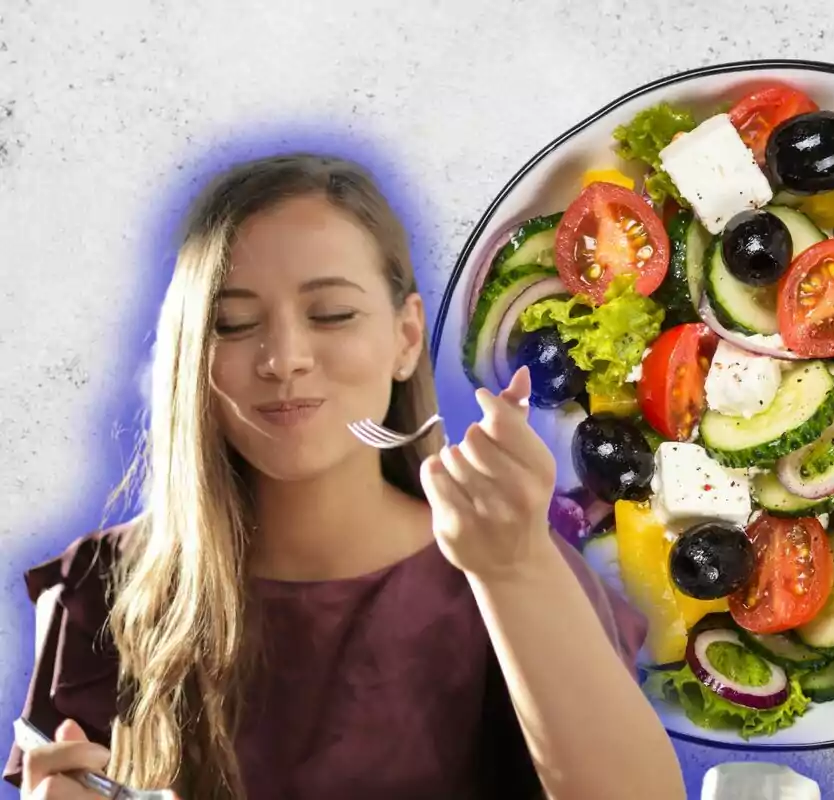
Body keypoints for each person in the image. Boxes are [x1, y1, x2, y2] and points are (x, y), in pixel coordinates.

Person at [5, 154, 686, 800]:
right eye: (234, 324)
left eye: (331, 314)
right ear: (192, 357)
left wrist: (514, 569)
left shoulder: (505, 567)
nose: (285, 359)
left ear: (406, 338)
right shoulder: (98, 587)